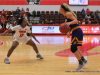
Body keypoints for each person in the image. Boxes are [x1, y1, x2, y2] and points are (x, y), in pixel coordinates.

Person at [59, 3, 88, 71]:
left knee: (73, 49)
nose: (59, 9)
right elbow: (70, 26)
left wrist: (68, 23)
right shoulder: (66, 15)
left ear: (62, 9)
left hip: (77, 31)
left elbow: (76, 21)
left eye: (59, 8)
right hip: (75, 31)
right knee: (75, 48)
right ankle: (83, 60)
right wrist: (69, 32)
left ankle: (81, 63)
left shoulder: (68, 14)